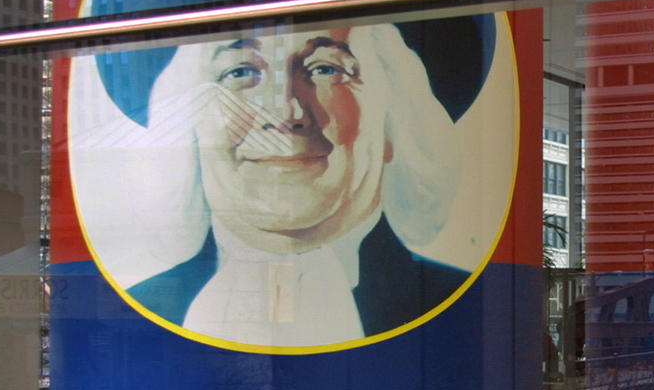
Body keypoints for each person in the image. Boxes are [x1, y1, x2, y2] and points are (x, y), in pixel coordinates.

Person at [117, 24, 479, 347]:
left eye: (326, 70)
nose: (283, 113)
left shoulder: (468, 310)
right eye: (240, 71)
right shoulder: (132, 315)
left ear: (395, 117)